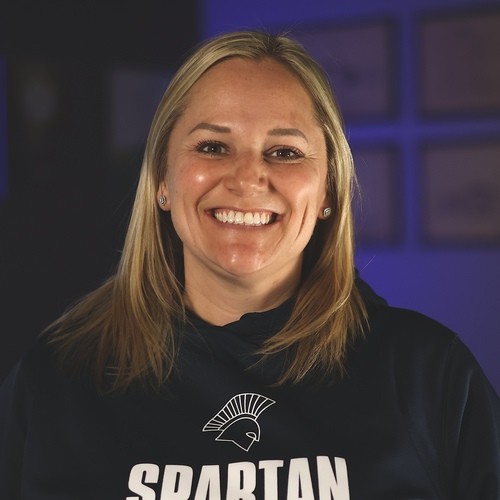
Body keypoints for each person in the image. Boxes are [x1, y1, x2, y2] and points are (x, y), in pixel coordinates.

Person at [0, 30, 498, 500]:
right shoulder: (58, 378)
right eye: (212, 147)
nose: (247, 178)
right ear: (162, 181)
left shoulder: (429, 375)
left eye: (284, 151)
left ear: (328, 191)